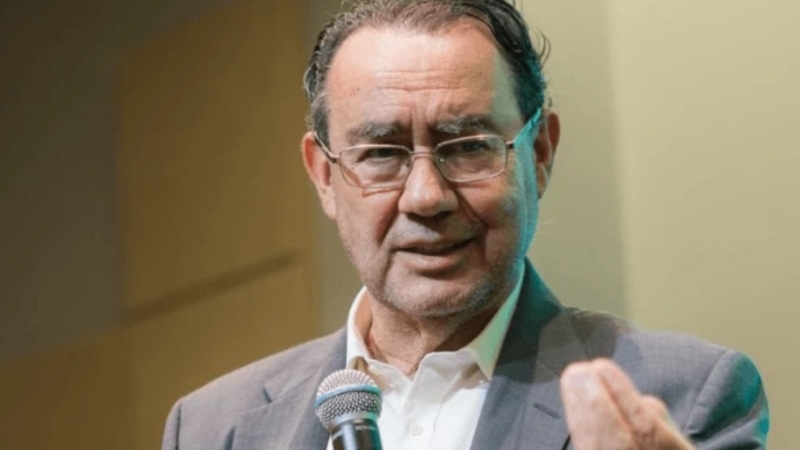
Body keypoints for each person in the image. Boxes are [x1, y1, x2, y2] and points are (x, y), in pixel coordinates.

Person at [161, 1, 769, 449]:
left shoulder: (683, 396)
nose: (426, 197)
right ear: (324, 175)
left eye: (469, 146)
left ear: (540, 153)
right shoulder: (214, 429)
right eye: (381, 153)